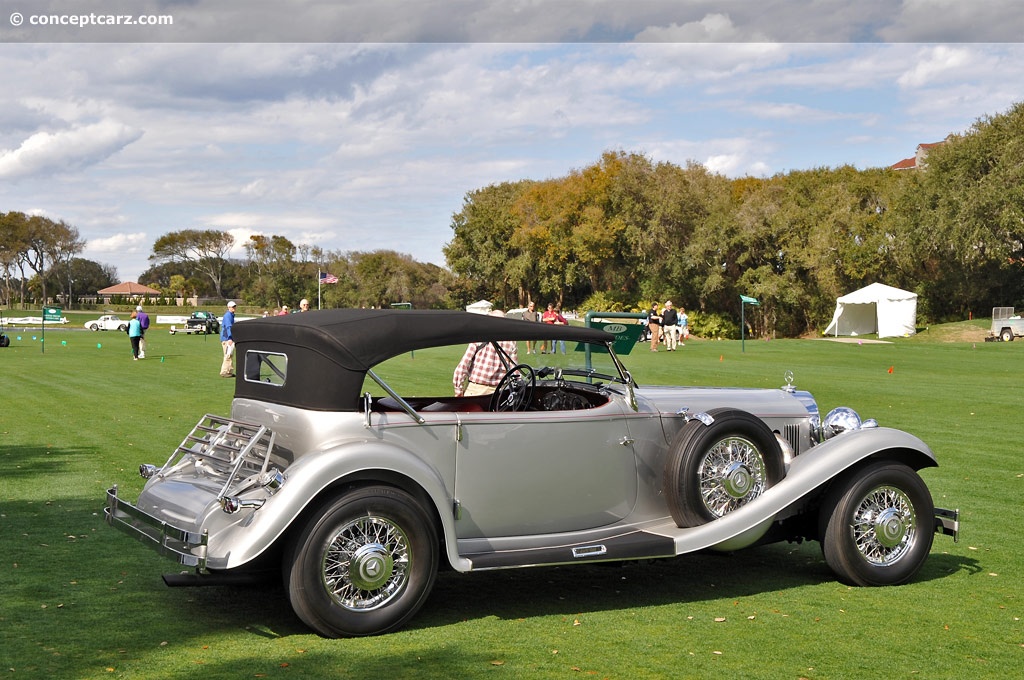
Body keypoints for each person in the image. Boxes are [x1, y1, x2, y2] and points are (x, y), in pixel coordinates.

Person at [453, 310, 518, 397]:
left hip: (476, 389)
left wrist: (458, 389)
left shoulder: (479, 337)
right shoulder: (511, 341)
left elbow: (464, 365)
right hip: (500, 392)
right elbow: (514, 370)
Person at [220, 301, 237, 378]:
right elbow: (228, 327)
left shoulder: (231, 315)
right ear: (229, 307)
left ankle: (229, 371)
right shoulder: (228, 316)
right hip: (227, 338)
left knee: (230, 354)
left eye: (234, 306)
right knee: (228, 354)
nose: (234, 308)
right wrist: (230, 338)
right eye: (232, 307)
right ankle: (224, 371)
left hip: (228, 338)